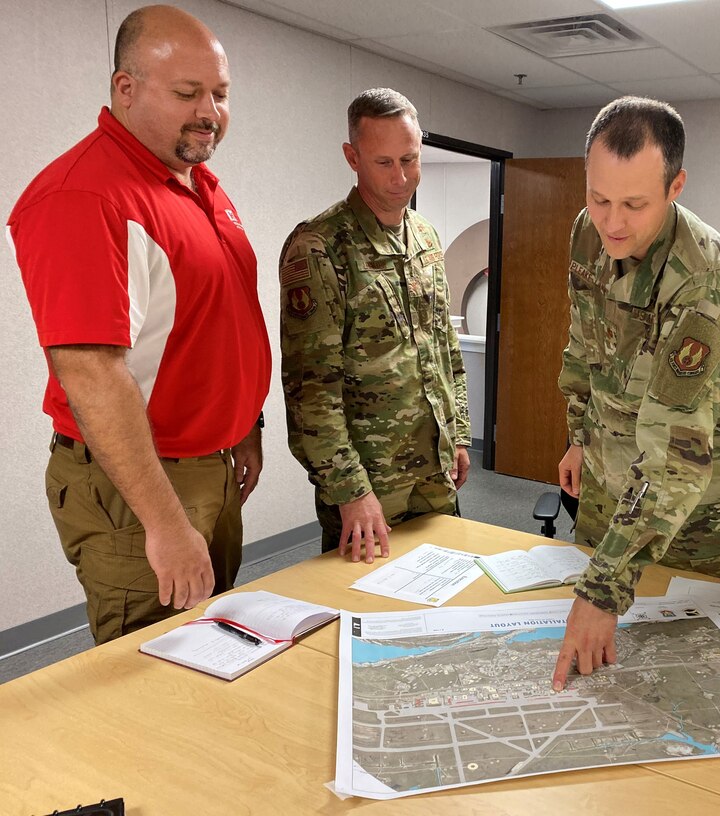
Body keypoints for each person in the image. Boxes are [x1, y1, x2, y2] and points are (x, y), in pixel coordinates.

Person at [7, 5, 270, 644]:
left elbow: (218, 324)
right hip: (141, 488)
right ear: (126, 89)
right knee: (155, 668)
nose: (210, 111)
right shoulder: (87, 196)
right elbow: (91, 372)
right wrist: (166, 523)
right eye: (187, 93)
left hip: (212, 464)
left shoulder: (196, 183)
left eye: (220, 93)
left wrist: (246, 428)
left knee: (214, 646)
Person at [552, 97, 720, 690]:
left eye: (635, 205)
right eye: (599, 198)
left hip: (694, 503)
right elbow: (583, 349)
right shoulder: (586, 234)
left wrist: (600, 591)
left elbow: (675, 459)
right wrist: (578, 438)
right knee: (595, 675)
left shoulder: (709, 286)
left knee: (691, 670)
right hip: (608, 471)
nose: (612, 223)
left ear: (676, 186)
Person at [280, 88, 471, 564]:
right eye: (384, 162)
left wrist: (459, 433)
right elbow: (311, 392)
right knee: (363, 614)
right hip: (370, 485)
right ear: (352, 157)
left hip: (435, 471)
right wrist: (349, 491)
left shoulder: (424, 236)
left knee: (443, 597)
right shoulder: (320, 246)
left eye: (410, 158)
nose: (401, 177)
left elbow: (444, 347)